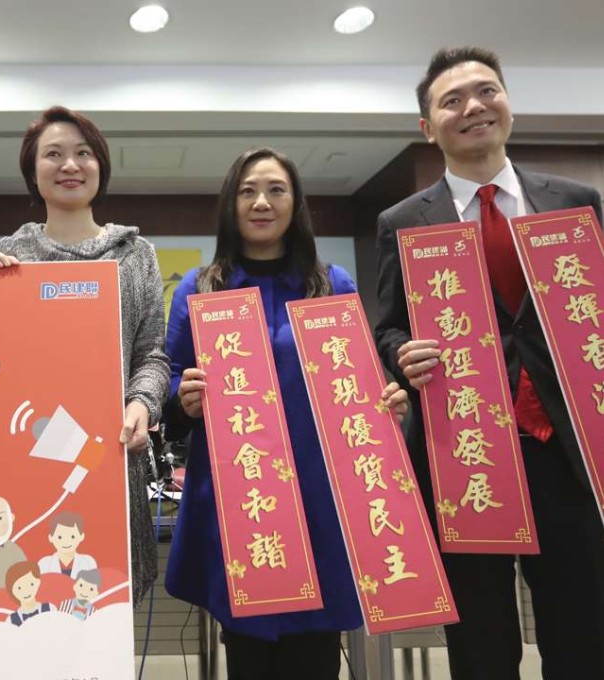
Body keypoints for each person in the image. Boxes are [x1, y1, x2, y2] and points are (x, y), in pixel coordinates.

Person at [374, 46, 604, 679]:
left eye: (487, 91)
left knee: (583, 627)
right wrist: (401, 355)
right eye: (452, 101)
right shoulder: (403, 220)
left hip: (569, 450)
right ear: (428, 127)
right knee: (480, 638)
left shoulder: (576, 203)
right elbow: (388, 324)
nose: (474, 107)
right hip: (465, 448)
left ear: (508, 102)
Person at [165, 147, 408, 679]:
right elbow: (170, 392)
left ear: (295, 203)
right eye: (248, 190)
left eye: (276, 189)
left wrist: (389, 397)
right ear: (230, 205)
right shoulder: (200, 289)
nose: (261, 202)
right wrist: (183, 400)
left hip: (321, 500)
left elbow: (359, 390)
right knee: (248, 654)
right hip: (240, 503)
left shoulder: (332, 285)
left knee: (317, 655)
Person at [0, 106, 169, 605]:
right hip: (32, 459)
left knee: (103, 604)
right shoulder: (8, 256)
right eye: (53, 155)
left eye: (83, 154)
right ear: (32, 172)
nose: (70, 165)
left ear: (100, 167)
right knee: (31, 602)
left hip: (110, 459)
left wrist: (142, 405)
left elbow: (152, 355)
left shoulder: (134, 253)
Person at [37, 510, 97, 577]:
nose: (66, 541)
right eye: (60, 537)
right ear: (50, 538)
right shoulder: (44, 564)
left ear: (81, 536)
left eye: (72, 536)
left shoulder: (88, 562)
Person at [4, 561, 52, 626]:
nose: (26, 591)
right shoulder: (11, 620)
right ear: (12, 591)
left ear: (38, 583)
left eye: (31, 584)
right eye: (19, 588)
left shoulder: (50, 609)